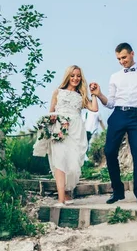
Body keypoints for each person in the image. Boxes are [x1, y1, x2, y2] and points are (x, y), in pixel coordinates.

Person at [90, 43, 137, 205]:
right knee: (109, 151)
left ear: (132, 54)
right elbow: (111, 103)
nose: (122, 61)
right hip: (118, 114)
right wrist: (99, 94)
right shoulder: (115, 77)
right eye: (118, 59)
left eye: (124, 57)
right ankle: (118, 191)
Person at [33, 65, 99, 206]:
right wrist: (50, 122)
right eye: (72, 75)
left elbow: (94, 108)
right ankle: (61, 199)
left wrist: (93, 93)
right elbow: (51, 112)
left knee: (73, 164)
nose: (75, 78)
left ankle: (68, 193)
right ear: (67, 76)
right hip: (59, 129)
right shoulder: (58, 92)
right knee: (59, 161)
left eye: (78, 76)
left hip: (75, 130)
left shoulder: (81, 96)